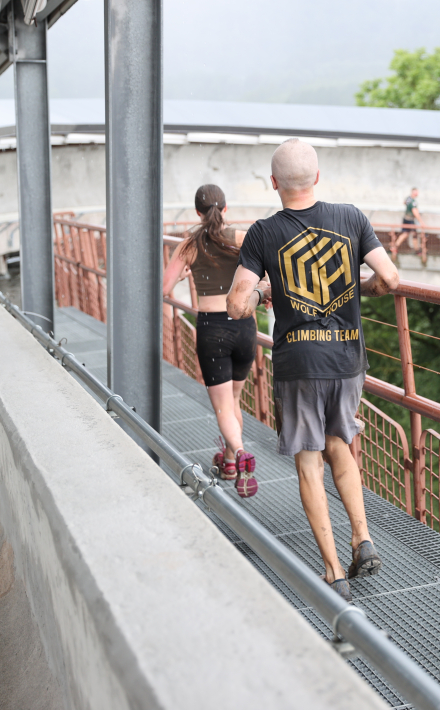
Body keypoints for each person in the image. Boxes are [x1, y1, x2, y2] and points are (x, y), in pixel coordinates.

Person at [227, 139, 401, 602]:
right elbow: (390, 278)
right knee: (339, 444)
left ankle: (333, 573)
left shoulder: (263, 234)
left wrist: (263, 293)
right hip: (347, 359)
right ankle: (362, 539)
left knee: (309, 461)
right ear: (317, 177)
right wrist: (360, 289)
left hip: (299, 363)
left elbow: (237, 305)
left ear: (274, 183)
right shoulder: (351, 218)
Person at [162, 184, 260, 498]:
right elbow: (264, 268)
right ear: (225, 208)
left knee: (222, 407)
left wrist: (184, 274)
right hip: (244, 326)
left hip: (213, 328)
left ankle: (241, 453)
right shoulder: (243, 238)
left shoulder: (189, 244)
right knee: (234, 401)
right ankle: (229, 463)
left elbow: (164, 288)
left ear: (197, 212)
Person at [390, 187, 423, 253]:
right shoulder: (413, 202)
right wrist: (421, 222)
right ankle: (417, 250)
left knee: (405, 233)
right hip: (410, 220)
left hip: (406, 218)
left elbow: (404, 202)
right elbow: (415, 212)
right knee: (414, 234)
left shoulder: (408, 198)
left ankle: (394, 247)